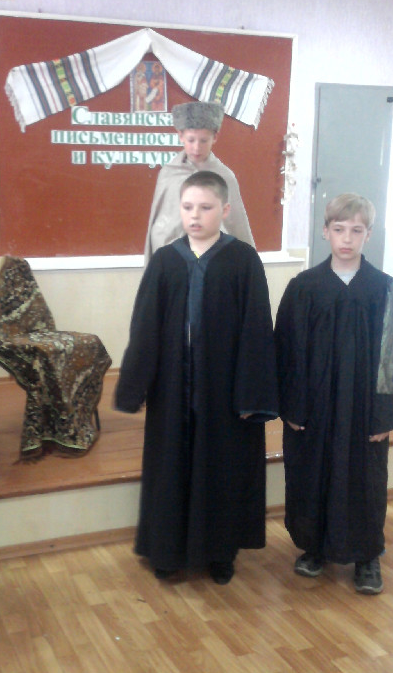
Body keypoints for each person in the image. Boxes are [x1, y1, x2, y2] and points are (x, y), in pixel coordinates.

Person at [116, 171, 278, 584]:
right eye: (188, 207)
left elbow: (257, 329)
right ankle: (167, 550)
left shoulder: (243, 260)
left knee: (221, 467)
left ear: (224, 210)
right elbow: (145, 326)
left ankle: (220, 551)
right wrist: (135, 385)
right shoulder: (166, 261)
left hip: (223, 390)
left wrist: (253, 395)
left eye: (205, 207)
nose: (195, 215)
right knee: (171, 465)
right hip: (174, 387)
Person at [274, 193, 393, 595]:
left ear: (369, 234)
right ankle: (314, 547)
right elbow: (286, 350)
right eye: (339, 229)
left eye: (356, 230)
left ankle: (367, 556)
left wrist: (384, 417)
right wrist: (292, 406)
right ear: (325, 232)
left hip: (363, 410)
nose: (347, 238)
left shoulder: (385, 290)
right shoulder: (304, 288)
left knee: (365, 478)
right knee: (310, 474)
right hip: (314, 409)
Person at [144, 101, 255, 263]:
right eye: (191, 140)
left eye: (203, 141)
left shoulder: (224, 176)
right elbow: (160, 218)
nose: (196, 147)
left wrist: (249, 263)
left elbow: (236, 223)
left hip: (213, 257)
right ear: (181, 136)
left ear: (214, 138)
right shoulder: (169, 173)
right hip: (172, 255)